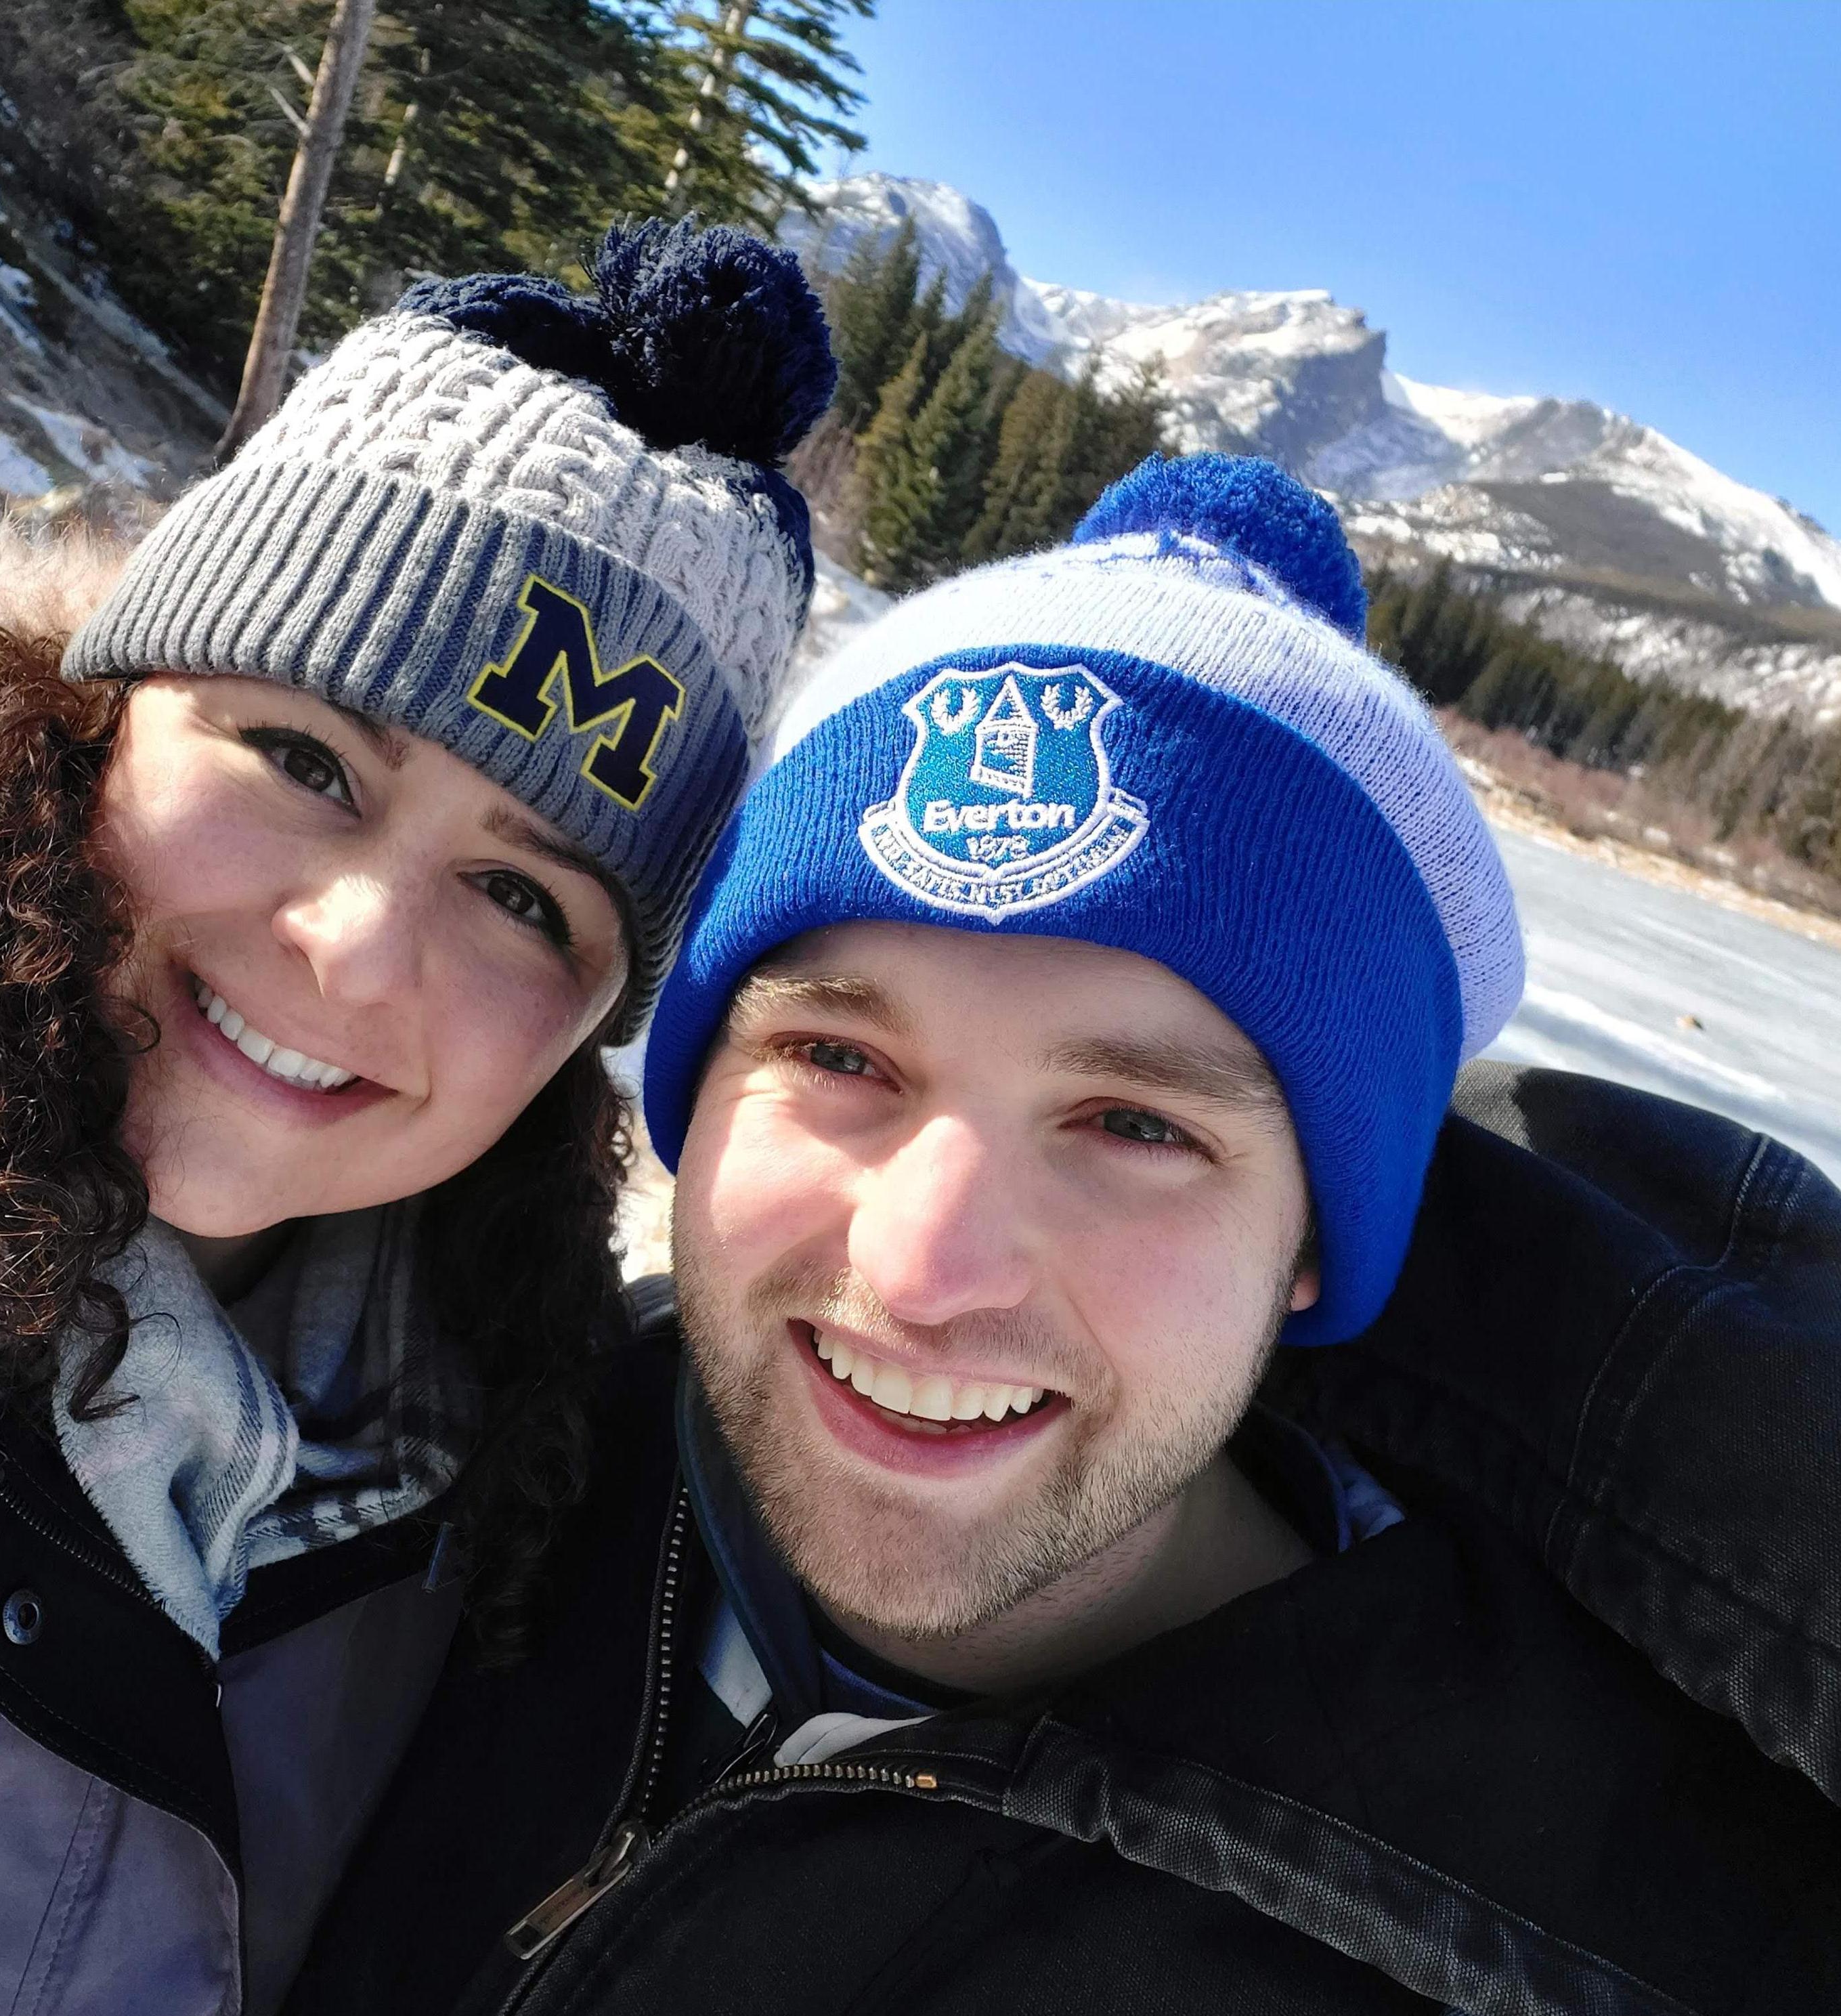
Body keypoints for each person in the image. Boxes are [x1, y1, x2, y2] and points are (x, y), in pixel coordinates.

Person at [289, 454, 1841, 2015]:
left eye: (1137, 1127)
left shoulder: (1504, 1932)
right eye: (841, 1060)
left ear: (1311, 1245)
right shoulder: (426, 1468)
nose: (919, 1267)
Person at [0, 221, 835, 2016]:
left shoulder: (500, 1486)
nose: (358, 953)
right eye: (304, 763)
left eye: (526, 901)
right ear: (106, 711)